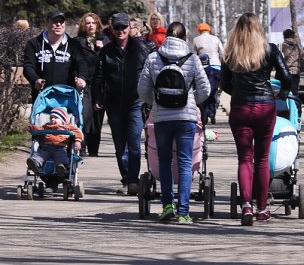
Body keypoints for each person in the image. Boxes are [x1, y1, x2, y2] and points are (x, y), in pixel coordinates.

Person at [220, 13, 292, 226]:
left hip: (241, 107)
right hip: (265, 107)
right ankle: (262, 208)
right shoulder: (269, 49)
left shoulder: (230, 52)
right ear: (258, 28)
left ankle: (246, 206)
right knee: (262, 159)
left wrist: (239, 93)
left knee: (244, 159)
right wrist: (281, 94)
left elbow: (224, 84)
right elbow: (286, 77)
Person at [138, 21, 210, 224]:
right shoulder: (193, 59)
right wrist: (191, 100)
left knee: (164, 161)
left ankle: (167, 206)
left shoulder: (153, 58)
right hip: (186, 117)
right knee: (185, 162)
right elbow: (205, 89)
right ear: (185, 38)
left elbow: (142, 89)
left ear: (167, 36)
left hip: (161, 118)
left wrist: (157, 102)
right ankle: (183, 211)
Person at [93, 12, 156, 195]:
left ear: (130, 28)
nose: (121, 31)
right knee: (120, 145)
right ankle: (127, 178)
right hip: (113, 103)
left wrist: (150, 98)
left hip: (135, 102)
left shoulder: (141, 49)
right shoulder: (106, 51)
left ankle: (133, 181)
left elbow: (151, 73)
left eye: (124, 27)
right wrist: (98, 98)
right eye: (117, 27)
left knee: (134, 143)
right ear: (112, 29)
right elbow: (98, 77)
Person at [22, 10, 88, 103]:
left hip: (67, 97)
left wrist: (82, 77)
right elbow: (28, 65)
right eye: (55, 21)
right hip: (42, 96)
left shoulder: (73, 44)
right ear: (47, 22)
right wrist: (35, 79)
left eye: (61, 22)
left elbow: (82, 63)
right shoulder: (34, 43)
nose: (59, 25)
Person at [74, 12, 109, 157]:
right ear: (83, 25)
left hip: (100, 84)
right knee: (84, 115)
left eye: (93, 23)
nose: (90, 25)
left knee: (97, 118)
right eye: (87, 23)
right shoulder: (77, 41)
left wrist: (102, 49)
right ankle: (81, 146)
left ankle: (94, 149)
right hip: (85, 83)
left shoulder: (105, 40)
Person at [26, 107, 83, 178]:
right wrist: (30, 128)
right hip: (47, 147)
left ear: (63, 119)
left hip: (61, 148)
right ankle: (35, 164)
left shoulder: (67, 127)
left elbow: (78, 132)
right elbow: (39, 128)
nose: (52, 119)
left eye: (56, 118)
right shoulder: (47, 126)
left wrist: (77, 141)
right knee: (40, 155)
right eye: (51, 118)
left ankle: (62, 168)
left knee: (61, 157)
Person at [192, 22, 224, 124]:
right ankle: (212, 112)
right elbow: (222, 53)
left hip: (202, 68)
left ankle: (204, 114)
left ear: (199, 30)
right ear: (209, 30)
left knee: (203, 90)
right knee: (214, 91)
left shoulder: (196, 40)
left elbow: (193, 56)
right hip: (216, 67)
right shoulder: (216, 39)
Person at [197, 53, 220, 127]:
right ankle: (212, 113)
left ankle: (205, 116)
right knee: (212, 102)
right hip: (212, 90)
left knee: (203, 104)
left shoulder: (198, 70)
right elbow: (219, 78)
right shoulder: (213, 70)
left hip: (202, 90)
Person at [280, 28, 304, 97]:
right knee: (295, 92)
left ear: (284, 36)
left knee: (284, 92)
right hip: (296, 72)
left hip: (284, 72)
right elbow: (302, 59)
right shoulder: (298, 46)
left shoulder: (281, 46)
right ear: (293, 36)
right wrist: (299, 68)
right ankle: (297, 107)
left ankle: (286, 107)